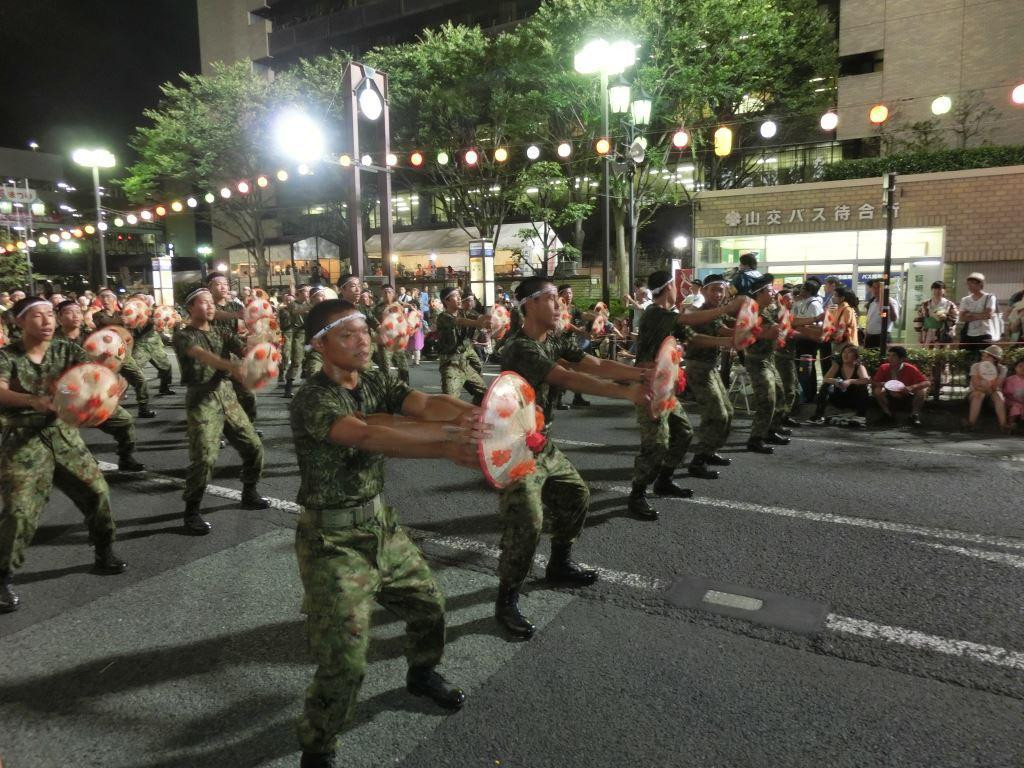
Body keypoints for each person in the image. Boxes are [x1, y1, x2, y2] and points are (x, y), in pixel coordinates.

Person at [290, 299, 476, 768]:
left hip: (380, 527)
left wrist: (476, 415)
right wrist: (447, 444)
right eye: (348, 334)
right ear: (320, 344)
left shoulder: (373, 378)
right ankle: (318, 746)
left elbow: (425, 403)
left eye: (365, 331)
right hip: (332, 543)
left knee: (430, 605)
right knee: (346, 663)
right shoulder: (313, 398)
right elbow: (366, 435)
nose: (364, 339)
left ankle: (421, 674)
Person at [495, 277, 648, 639]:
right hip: (513, 448)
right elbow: (568, 377)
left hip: (541, 441)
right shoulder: (520, 347)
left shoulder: (557, 338)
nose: (560, 304)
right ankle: (506, 600)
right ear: (528, 305)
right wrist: (627, 394)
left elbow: (592, 363)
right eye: (550, 298)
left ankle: (559, 565)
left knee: (576, 494)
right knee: (527, 523)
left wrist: (642, 373)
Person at [0, 297, 127, 613]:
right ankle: (2, 576)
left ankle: (103, 551)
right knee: (19, 511)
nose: (46, 321)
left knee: (97, 492)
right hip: (23, 439)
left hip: (63, 434)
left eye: (49, 315)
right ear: (18, 321)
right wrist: (31, 400)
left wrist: (110, 383)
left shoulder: (65, 350)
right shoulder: (7, 356)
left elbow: (94, 371)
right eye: (37, 316)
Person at [628, 271, 737, 520]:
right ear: (669, 287)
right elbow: (690, 322)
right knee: (655, 443)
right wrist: (728, 308)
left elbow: (695, 337)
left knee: (684, 432)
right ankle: (636, 495)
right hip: (648, 385)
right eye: (675, 285)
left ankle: (664, 479)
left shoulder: (669, 316)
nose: (678, 288)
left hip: (664, 385)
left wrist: (730, 341)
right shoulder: (654, 313)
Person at [172, 287, 269, 534]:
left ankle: (249, 492)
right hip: (202, 398)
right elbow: (201, 355)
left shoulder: (222, 332)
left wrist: (260, 351)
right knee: (204, 458)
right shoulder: (184, 335)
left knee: (253, 446)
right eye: (203, 303)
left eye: (211, 303)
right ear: (190, 308)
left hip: (227, 393)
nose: (210, 306)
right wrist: (230, 366)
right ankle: (191, 511)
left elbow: (244, 349)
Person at [53, 300, 145, 471]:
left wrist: (114, 381)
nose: (75, 316)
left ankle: (125, 458)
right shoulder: (52, 342)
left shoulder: (94, 336)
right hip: (65, 397)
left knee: (124, 421)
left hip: (93, 395)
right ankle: (84, 459)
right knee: (64, 434)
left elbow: (110, 362)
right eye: (69, 312)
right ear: (59, 317)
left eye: (78, 312)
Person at [685, 275, 739, 478]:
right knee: (717, 414)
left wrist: (751, 326)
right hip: (698, 368)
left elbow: (727, 327)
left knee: (728, 412)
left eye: (721, 290)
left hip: (709, 368)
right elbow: (719, 333)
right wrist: (731, 338)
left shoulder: (715, 313)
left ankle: (709, 451)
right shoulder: (700, 313)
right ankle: (697, 462)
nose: (718, 294)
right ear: (704, 291)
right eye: (714, 289)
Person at [92, 289, 158, 419]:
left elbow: (139, 330)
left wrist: (150, 319)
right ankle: (100, 411)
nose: (105, 300)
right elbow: (106, 325)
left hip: (123, 354)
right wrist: (126, 321)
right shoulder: (98, 315)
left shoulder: (122, 314)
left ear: (114, 299)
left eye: (108, 297)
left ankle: (143, 408)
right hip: (107, 356)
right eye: (102, 297)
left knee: (140, 380)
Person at [743, 275, 790, 454]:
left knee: (779, 394)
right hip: (756, 361)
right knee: (766, 399)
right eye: (770, 291)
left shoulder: (767, 310)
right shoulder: (750, 312)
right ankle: (755, 438)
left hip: (768, 359)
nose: (773, 293)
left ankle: (771, 430)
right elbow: (749, 333)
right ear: (759, 293)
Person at [206, 272, 259, 425]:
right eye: (218, 284)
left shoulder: (235, 304)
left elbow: (247, 323)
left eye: (225, 284)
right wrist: (236, 315)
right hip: (213, 355)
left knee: (248, 393)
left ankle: (248, 426)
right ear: (210, 288)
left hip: (234, 354)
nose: (223, 287)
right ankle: (219, 432)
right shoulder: (207, 305)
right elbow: (213, 314)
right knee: (215, 397)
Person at [435, 286, 489, 404]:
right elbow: (458, 321)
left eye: (460, 296)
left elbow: (476, 316)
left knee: (485, 396)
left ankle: (471, 413)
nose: (460, 298)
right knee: (450, 403)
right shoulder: (443, 317)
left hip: (464, 363)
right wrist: (476, 323)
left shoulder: (464, 312)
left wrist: (487, 319)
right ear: (446, 301)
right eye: (455, 296)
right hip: (451, 366)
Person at [809, 345, 871, 424]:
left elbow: (866, 380)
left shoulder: (859, 367)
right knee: (826, 385)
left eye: (849, 353)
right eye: (844, 352)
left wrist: (850, 381)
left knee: (863, 387)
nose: (845, 355)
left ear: (855, 356)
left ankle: (860, 416)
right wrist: (836, 381)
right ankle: (818, 415)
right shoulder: (837, 365)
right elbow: (826, 378)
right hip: (838, 397)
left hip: (853, 399)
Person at [128, 292, 176, 397]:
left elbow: (164, 320)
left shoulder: (153, 311)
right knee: (132, 370)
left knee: (166, 367)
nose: (142, 301)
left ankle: (164, 388)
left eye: (143, 299)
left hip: (154, 345)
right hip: (141, 346)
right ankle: (119, 392)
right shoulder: (130, 312)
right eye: (139, 299)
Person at [871, 346, 929, 427]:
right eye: (889, 355)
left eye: (893, 356)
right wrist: (885, 385)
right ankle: (888, 414)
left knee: (922, 391)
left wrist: (911, 387)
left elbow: (926, 383)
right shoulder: (884, 367)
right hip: (889, 395)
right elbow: (874, 382)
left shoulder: (910, 368)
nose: (890, 358)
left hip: (907, 395)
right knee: (878, 390)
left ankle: (914, 416)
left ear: (902, 359)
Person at [965, 345, 1008, 432]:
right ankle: (970, 424)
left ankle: (1004, 426)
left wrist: (991, 373)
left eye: (987, 356)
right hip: (975, 393)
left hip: (992, 393)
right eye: (983, 355)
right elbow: (976, 386)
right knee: (979, 394)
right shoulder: (976, 366)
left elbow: (996, 386)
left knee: (999, 396)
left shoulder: (1002, 369)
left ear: (995, 359)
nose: (983, 357)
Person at [958, 272, 1000, 357]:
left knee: (985, 358)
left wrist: (970, 314)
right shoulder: (965, 300)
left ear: (980, 284)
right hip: (968, 334)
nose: (969, 286)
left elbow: (988, 315)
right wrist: (980, 315)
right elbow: (961, 317)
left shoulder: (989, 297)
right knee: (966, 358)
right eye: (968, 284)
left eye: (972, 283)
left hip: (984, 333)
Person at [278, 292, 304, 398]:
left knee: (297, 358)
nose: (289, 301)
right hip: (286, 334)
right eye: (287, 300)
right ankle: (281, 371)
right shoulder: (282, 310)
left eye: (291, 300)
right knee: (285, 354)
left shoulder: (300, 307)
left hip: (296, 334)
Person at [863, 279, 900, 349]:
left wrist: (888, 303)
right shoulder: (872, 302)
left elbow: (893, 318)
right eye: (874, 287)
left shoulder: (891, 301)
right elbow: (870, 321)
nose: (875, 290)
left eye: (878, 287)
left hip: (882, 336)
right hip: (870, 337)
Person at [1001, 358, 1024, 430]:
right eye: (1020, 366)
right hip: (1012, 400)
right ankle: (1011, 424)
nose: (1023, 368)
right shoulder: (1010, 379)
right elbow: (1007, 393)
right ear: (1015, 368)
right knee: (1015, 407)